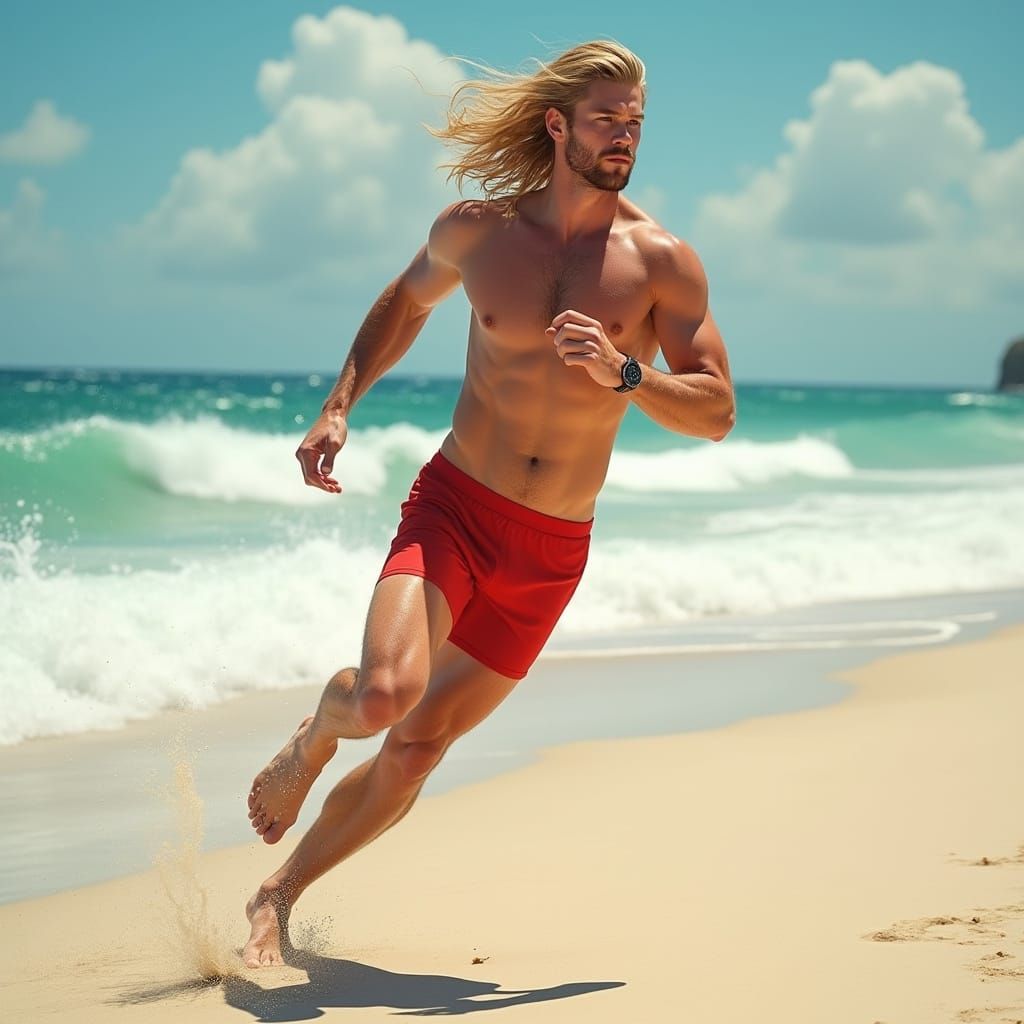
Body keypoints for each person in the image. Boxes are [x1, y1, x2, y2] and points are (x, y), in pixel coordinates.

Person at [242, 39, 734, 968]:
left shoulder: (661, 261)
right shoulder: (477, 231)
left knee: (419, 747)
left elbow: (717, 412)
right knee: (387, 694)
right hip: (456, 508)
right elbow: (406, 301)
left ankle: (278, 892)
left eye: (635, 122)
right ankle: (313, 738)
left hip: (553, 548)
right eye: (605, 120)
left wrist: (627, 374)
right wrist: (339, 404)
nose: (624, 137)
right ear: (558, 126)